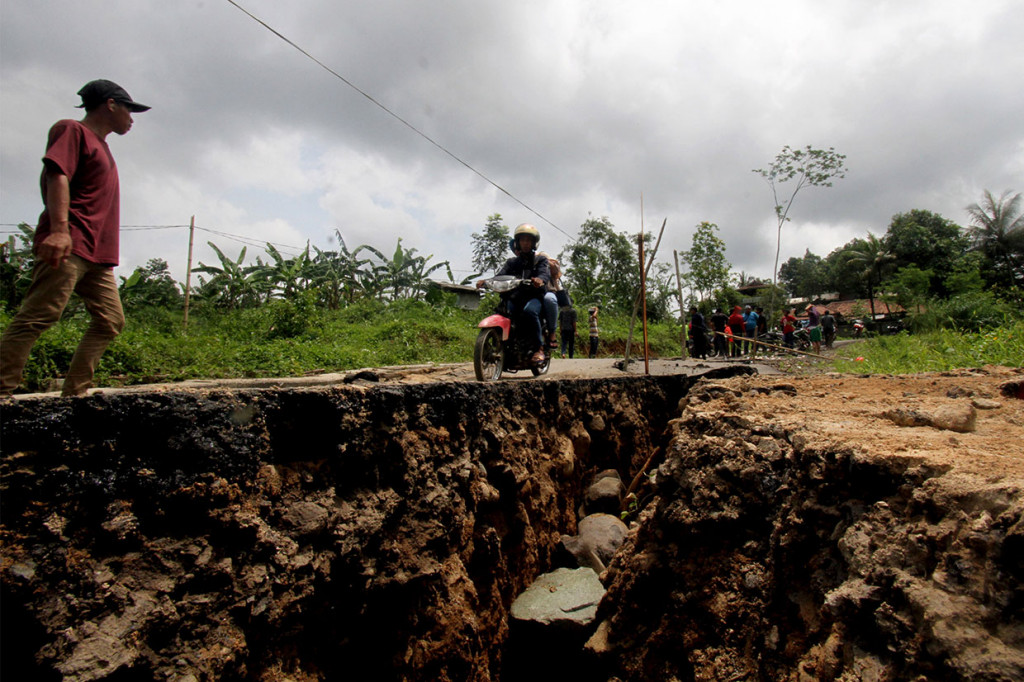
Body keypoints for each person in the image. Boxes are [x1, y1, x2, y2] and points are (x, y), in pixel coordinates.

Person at [1, 80, 150, 397]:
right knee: (38, 315)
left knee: (110, 321)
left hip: (97, 254)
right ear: (110, 104)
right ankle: (2, 390)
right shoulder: (72, 130)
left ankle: (76, 393)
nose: (132, 118)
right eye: (129, 109)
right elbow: (57, 175)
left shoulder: (103, 147)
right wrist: (58, 230)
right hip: (71, 241)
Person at [476, 223, 550, 365]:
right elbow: (500, 276)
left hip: (533, 297)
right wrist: (486, 282)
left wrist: (539, 280)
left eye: (528, 240)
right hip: (514, 298)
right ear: (517, 242)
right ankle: (502, 345)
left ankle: (538, 348)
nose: (525, 243)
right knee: (504, 312)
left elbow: (544, 274)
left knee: (530, 312)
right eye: (522, 240)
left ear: (534, 243)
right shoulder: (512, 262)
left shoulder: (540, 260)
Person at [537, 251, 561, 350]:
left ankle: (552, 332)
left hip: (548, 292)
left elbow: (556, 269)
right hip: (535, 293)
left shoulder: (551, 266)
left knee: (549, 300)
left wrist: (545, 261)